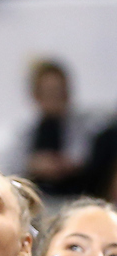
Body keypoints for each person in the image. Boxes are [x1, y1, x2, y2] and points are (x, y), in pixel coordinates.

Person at [11, 60, 93, 197]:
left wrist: (64, 165)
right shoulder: (27, 130)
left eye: (59, 92)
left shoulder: (83, 126)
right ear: (36, 95)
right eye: (49, 92)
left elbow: (86, 157)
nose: (55, 98)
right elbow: (11, 166)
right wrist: (33, 164)